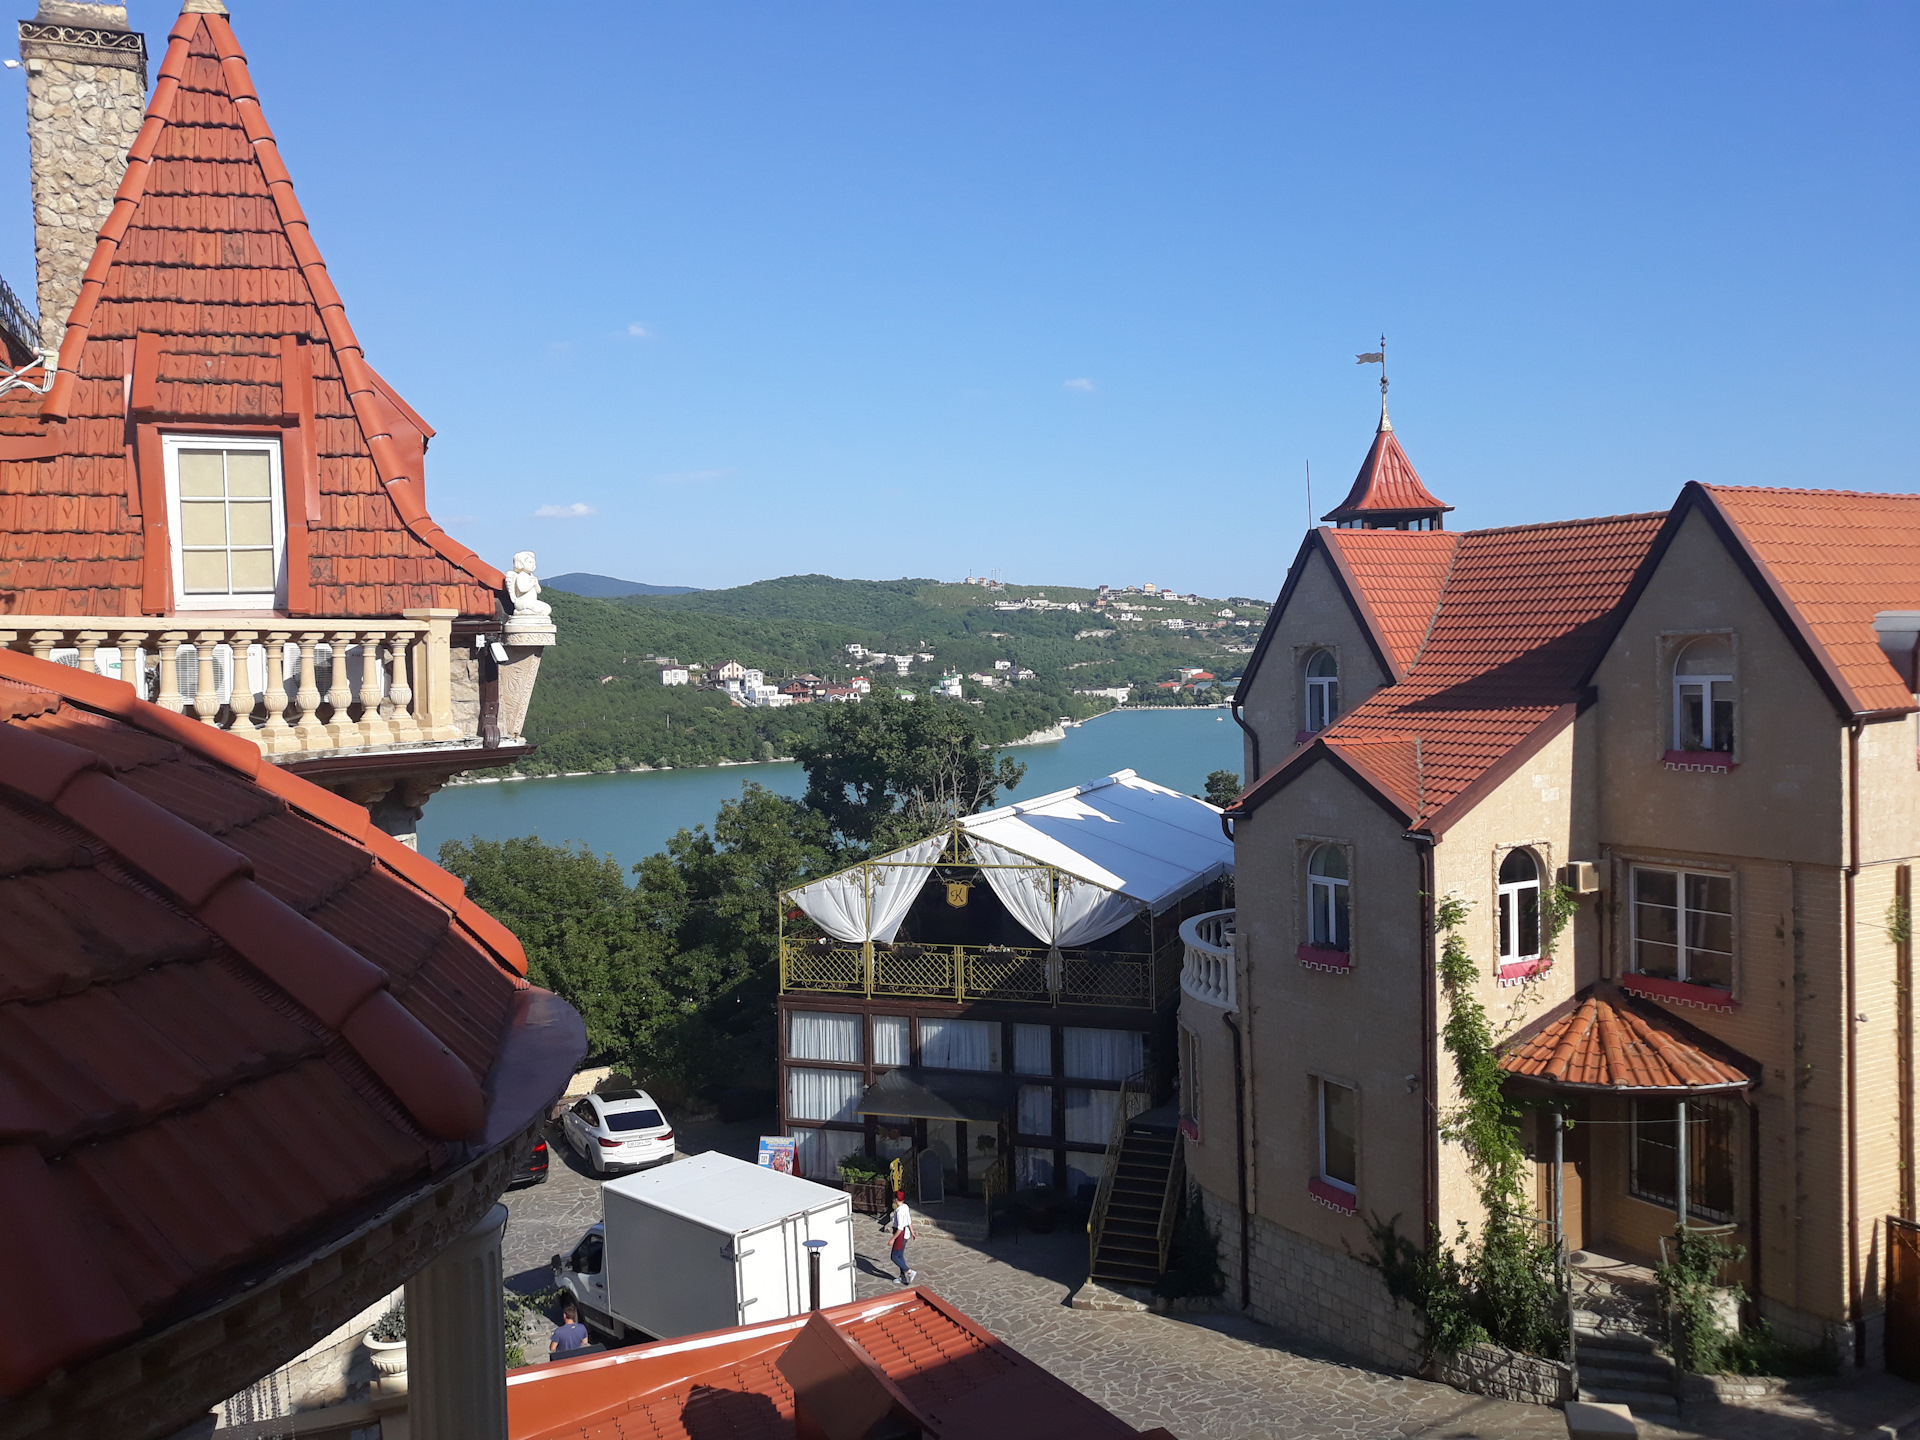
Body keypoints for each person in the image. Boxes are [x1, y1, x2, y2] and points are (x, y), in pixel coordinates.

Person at [882, 1189, 916, 1285]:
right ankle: (902, 1277)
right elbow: (909, 1220)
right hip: (906, 1233)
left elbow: (900, 1228)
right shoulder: (905, 1206)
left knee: (894, 1257)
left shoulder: (900, 1212)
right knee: (900, 1256)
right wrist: (912, 1232)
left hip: (901, 1234)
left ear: (896, 1200)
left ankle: (910, 1272)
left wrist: (892, 1239)